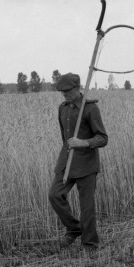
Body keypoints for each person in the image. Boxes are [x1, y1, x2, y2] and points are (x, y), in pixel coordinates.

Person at [48, 73, 108, 251]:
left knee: (87, 206)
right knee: (54, 195)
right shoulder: (62, 108)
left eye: (67, 91)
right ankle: (74, 229)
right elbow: (64, 138)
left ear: (77, 88)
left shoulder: (90, 109)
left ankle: (90, 244)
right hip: (66, 161)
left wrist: (84, 143)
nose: (64, 94)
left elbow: (103, 138)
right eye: (62, 92)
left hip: (87, 165)